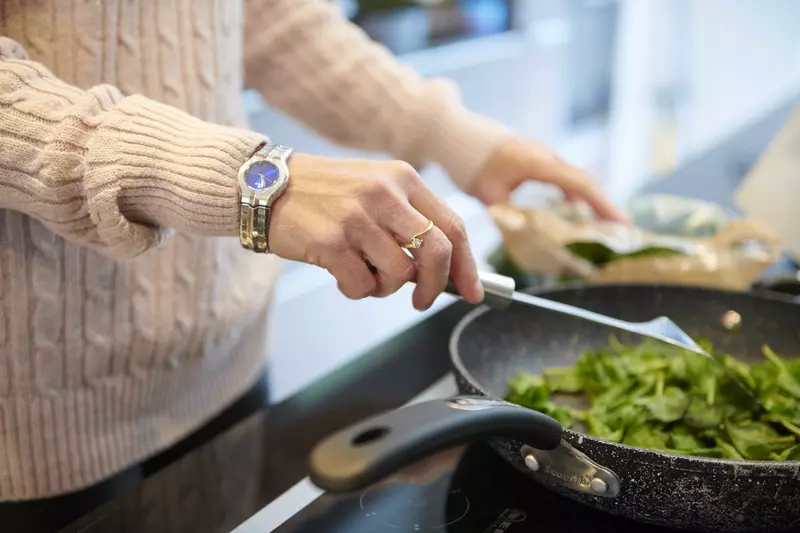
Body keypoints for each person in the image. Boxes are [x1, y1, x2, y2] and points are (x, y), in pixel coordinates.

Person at [0, 0, 625, 505]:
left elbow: (271, 19)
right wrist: (249, 183)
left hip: (223, 361)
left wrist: (454, 136)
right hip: (40, 412)